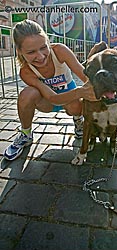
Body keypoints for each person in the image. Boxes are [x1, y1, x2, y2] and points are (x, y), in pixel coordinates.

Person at [3, 19, 97, 161]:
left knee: (75, 104)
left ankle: (79, 121)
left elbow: (84, 75)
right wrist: (80, 92)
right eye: (31, 52)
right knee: (26, 94)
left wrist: (103, 91)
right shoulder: (26, 72)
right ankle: (25, 133)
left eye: (43, 47)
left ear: (48, 41)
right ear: (20, 51)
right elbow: (52, 98)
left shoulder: (59, 50)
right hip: (48, 101)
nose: (40, 56)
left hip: (70, 99)